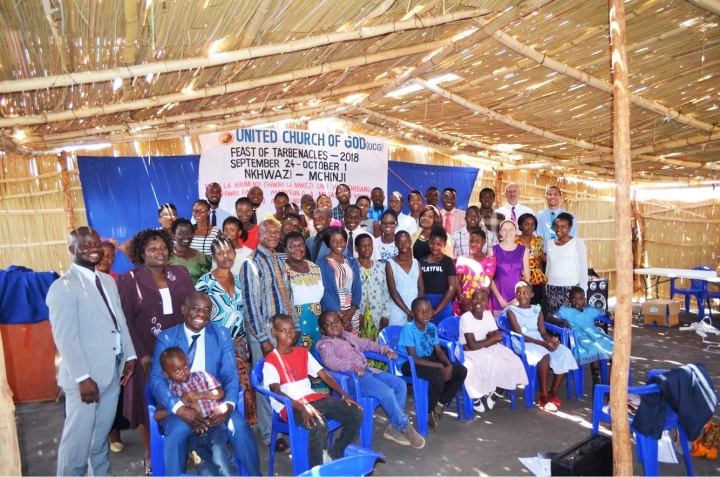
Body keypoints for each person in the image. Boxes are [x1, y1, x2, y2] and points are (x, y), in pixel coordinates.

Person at [47, 227, 137, 476]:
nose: (93, 249)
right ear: (71, 250)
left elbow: (119, 322)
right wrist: (82, 378)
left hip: (112, 374)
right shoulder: (63, 287)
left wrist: (129, 356)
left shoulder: (107, 280)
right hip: (86, 381)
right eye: (85, 245)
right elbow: (65, 338)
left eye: (95, 243)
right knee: (76, 446)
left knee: (98, 442)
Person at [150, 292, 261, 476]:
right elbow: (156, 379)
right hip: (181, 404)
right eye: (196, 309)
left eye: (207, 310)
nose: (202, 314)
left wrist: (227, 405)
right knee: (178, 431)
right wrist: (179, 408)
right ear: (184, 310)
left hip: (214, 402)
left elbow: (230, 375)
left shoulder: (221, 335)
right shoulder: (167, 337)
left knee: (239, 427)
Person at [117, 228, 195, 475]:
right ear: (141, 252)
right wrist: (140, 354)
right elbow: (125, 321)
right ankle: (150, 451)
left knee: (186, 395)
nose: (159, 252)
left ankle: (187, 445)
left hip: (182, 351)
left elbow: (193, 306)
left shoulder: (180, 273)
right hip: (147, 354)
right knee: (148, 404)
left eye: (162, 247)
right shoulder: (129, 280)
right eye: (152, 248)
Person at [263, 313, 363, 468]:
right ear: (274, 333)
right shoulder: (271, 359)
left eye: (291, 330)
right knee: (319, 425)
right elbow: (276, 391)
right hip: (290, 407)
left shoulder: (302, 352)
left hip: (312, 399)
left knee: (355, 413)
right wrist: (300, 406)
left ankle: (334, 456)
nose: (289, 334)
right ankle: (317, 469)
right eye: (283, 331)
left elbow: (325, 375)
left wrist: (344, 395)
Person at [317, 310, 425, 449]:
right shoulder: (325, 344)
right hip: (352, 380)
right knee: (386, 392)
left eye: (336, 321)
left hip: (368, 372)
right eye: (328, 324)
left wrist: (385, 350)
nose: (334, 325)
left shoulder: (347, 336)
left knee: (400, 384)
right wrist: (353, 367)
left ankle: (393, 426)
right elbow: (331, 361)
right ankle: (404, 426)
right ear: (322, 329)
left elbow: (367, 344)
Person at [240, 219, 298, 453]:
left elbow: (289, 294)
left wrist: (293, 327)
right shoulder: (251, 263)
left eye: (276, 230)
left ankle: (283, 423)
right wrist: (263, 338)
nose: (273, 234)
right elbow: (251, 305)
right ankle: (268, 434)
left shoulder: (279, 259)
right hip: (265, 333)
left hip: (284, 332)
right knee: (265, 385)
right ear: (259, 235)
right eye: (268, 231)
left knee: (282, 382)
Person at [195, 236, 257, 427]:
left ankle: (244, 426)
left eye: (229, 251)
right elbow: (196, 315)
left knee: (242, 385)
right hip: (216, 344)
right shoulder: (205, 282)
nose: (226, 256)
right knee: (218, 385)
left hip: (239, 344)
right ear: (213, 256)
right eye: (220, 253)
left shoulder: (240, 280)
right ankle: (218, 427)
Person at [155, 347, 238, 476]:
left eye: (185, 367)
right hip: (194, 433)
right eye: (177, 371)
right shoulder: (169, 391)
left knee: (221, 458)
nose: (183, 372)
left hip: (214, 425)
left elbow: (220, 393)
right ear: (166, 374)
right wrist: (178, 404)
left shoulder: (201, 376)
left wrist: (202, 394)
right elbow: (157, 415)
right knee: (204, 467)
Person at [505, 282, 577, 412]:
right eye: (519, 292)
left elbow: (543, 333)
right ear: (515, 294)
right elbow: (520, 335)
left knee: (565, 352)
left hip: (538, 340)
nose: (522, 295)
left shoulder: (536, 310)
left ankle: (553, 392)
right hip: (522, 343)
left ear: (532, 294)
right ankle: (544, 396)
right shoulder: (511, 311)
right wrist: (544, 344)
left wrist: (551, 340)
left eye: (526, 292)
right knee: (544, 357)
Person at [398, 297, 467, 432]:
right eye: (420, 311)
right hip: (409, 363)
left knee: (461, 371)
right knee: (438, 377)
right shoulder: (408, 329)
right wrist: (438, 366)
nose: (425, 314)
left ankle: (439, 405)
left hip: (428, 359)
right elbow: (414, 359)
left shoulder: (431, 327)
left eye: (428, 310)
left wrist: (448, 365)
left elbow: (439, 352)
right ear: (412, 313)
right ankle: (428, 413)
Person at [459, 289, 527, 413]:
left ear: (488, 302)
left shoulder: (488, 315)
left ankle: (495, 394)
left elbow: (492, 338)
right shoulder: (466, 318)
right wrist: (493, 338)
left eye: (483, 299)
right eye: (475, 298)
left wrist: (491, 339)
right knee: (485, 364)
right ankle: (476, 397)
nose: (478, 301)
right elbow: (473, 345)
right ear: (471, 300)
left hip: (484, 346)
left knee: (512, 361)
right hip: (467, 351)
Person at [97, 237, 130, 453]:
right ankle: (103, 435)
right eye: (102, 253)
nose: (106, 258)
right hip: (96, 346)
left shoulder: (118, 280)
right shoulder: (82, 281)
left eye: (110, 255)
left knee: (115, 392)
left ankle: (114, 433)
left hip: (116, 344)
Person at [550, 287, 613, 385]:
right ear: (569, 299)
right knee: (594, 347)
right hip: (580, 338)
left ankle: (613, 380)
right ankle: (596, 378)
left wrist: (610, 315)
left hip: (595, 335)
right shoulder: (566, 311)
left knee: (614, 346)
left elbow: (604, 312)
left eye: (580, 299)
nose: (576, 301)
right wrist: (562, 321)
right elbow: (551, 318)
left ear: (584, 299)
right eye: (574, 299)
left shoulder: (590, 310)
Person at [284, 232, 324, 355]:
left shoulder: (315, 267)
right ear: (285, 250)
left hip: (317, 325)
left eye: (300, 244)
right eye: (292, 246)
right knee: (297, 363)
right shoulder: (282, 270)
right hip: (295, 328)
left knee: (317, 364)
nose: (297, 248)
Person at [544, 212, 588, 320]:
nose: (559, 229)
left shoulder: (577, 243)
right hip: (551, 289)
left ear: (570, 228)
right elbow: (549, 266)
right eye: (557, 226)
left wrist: (584, 294)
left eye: (563, 227)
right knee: (554, 320)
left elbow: (582, 270)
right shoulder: (550, 243)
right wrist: (545, 286)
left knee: (569, 321)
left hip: (571, 290)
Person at [318, 227, 363, 333]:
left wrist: (351, 313)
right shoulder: (322, 263)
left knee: (355, 345)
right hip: (334, 315)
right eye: (335, 241)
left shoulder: (351, 262)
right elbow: (324, 291)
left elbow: (357, 288)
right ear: (328, 243)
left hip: (352, 314)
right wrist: (341, 315)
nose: (339, 244)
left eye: (342, 240)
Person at [355, 234, 392, 340]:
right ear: (356, 248)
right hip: (358, 316)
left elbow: (385, 292)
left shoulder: (381, 267)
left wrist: (385, 315)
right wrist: (357, 314)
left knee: (375, 344)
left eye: (370, 245)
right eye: (363, 245)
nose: (367, 248)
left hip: (377, 314)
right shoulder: (352, 267)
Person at [489, 220, 530, 312]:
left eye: (511, 229)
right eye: (504, 230)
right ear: (500, 232)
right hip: (498, 297)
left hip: (518, 297)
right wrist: (499, 298)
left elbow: (527, 276)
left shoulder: (523, 250)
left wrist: (519, 297)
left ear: (516, 232)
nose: (508, 233)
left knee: (516, 325)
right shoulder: (493, 250)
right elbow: (489, 277)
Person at [419, 226, 457, 325]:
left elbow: (452, 288)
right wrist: (425, 307)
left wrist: (436, 310)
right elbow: (419, 286)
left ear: (444, 244)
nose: (435, 246)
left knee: (442, 335)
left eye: (439, 244)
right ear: (428, 242)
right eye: (432, 243)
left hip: (443, 305)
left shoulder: (448, 261)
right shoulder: (421, 261)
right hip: (425, 304)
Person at [454, 229, 497, 315]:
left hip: (481, 302)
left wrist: (473, 301)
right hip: (463, 302)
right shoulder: (462, 259)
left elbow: (487, 285)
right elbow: (457, 282)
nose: (473, 244)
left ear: (484, 242)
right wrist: (462, 300)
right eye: (471, 241)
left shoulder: (490, 260)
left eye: (477, 242)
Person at [386, 231, 424, 326]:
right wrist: (408, 311)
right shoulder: (390, 264)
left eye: (406, 241)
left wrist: (416, 310)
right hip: (397, 310)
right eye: (400, 242)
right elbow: (393, 291)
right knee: (396, 337)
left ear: (410, 242)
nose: (403, 245)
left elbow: (421, 288)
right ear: (395, 244)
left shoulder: (416, 263)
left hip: (415, 312)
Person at [515, 213, 547, 306]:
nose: (530, 227)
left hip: (536, 278)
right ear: (520, 226)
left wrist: (543, 280)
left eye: (532, 224)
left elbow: (539, 260)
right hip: (519, 276)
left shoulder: (539, 240)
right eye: (526, 224)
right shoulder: (515, 240)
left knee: (535, 305)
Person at [168, 218, 212, 283]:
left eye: (189, 233)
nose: (186, 236)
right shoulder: (167, 257)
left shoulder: (202, 257)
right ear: (173, 235)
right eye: (181, 233)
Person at [535, 186, 578, 253]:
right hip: (542, 255)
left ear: (560, 197)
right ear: (545, 197)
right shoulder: (537, 216)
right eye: (549, 194)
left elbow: (572, 237)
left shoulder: (570, 217)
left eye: (555, 194)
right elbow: (534, 237)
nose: (552, 196)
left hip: (563, 254)